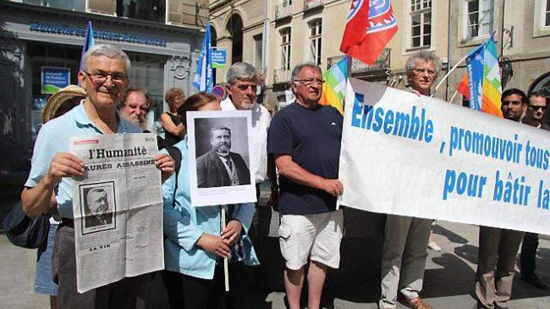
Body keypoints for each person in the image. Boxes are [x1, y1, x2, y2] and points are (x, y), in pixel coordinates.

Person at [20, 44, 174, 309]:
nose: (108, 82)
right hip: (80, 240)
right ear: (83, 79)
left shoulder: (136, 133)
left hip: (131, 239)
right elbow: (30, 207)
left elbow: (138, 193)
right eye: (100, 74)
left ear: (125, 84)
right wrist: (49, 179)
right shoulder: (55, 130)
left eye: (117, 76)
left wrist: (160, 176)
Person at [162, 92, 259, 309]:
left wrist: (239, 223)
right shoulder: (173, 156)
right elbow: (162, 206)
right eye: (211, 114)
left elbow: (247, 195)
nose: (219, 118)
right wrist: (199, 238)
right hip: (190, 262)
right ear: (190, 120)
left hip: (231, 256)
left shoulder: (238, 158)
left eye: (220, 113)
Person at [267, 63, 344, 309]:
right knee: (295, 263)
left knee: (322, 261)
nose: (315, 85)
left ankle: (313, 306)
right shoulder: (284, 118)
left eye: (319, 81)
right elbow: (284, 166)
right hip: (298, 207)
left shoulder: (333, 114)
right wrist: (324, 184)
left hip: (331, 208)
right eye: (309, 80)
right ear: (295, 86)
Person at [379, 50, 441, 309]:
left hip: (426, 189)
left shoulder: (440, 107)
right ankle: (387, 298)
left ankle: (411, 291)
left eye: (430, 72)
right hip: (401, 189)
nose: (426, 75)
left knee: (418, 247)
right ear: (409, 75)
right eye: (421, 71)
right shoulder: (397, 102)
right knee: (395, 248)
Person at [474, 88, 528, 309]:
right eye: (506, 103)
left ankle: (503, 299)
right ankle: (486, 300)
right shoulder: (491, 131)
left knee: (508, 259)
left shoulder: (534, 137)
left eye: (515, 103)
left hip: (518, 209)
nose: (510, 107)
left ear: (523, 107)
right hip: (493, 207)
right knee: (487, 258)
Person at [35, 84, 86, 309]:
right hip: (58, 225)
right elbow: (34, 192)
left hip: (85, 226)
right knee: (57, 292)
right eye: (67, 107)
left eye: (77, 106)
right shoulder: (51, 136)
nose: (73, 110)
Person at [220, 62, 272, 206]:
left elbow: (270, 153)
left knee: (257, 229)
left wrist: (274, 188)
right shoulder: (217, 112)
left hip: (254, 191)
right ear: (229, 89)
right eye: (243, 87)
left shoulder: (262, 114)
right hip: (222, 192)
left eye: (254, 87)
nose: (250, 92)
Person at [519, 91, 549, 290]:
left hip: (537, 194)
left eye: (543, 108)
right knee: (505, 238)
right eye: (535, 107)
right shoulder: (513, 129)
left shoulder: (547, 133)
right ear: (526, 108)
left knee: (532, 237)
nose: (539, 111)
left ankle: (528, 272)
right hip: (514, 189)